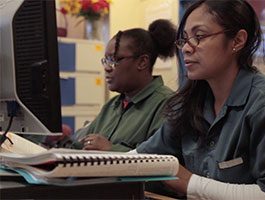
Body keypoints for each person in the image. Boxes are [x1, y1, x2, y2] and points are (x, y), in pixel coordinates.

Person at [134, 0, 265, 199]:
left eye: (199, 36)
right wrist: (92, 163)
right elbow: (142, 157)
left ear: (237, 41)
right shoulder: (189, 103)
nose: (186, 48)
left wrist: (190, 183)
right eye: (184, 39)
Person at [57, 19, 177, 152]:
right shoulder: (113, 105)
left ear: (142, 62)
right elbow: (81, 142)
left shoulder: (168, 103)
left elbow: (162, 160)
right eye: (106, 61)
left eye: (114, 60)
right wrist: (62, 139)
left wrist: (111, 149)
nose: (107, 68)